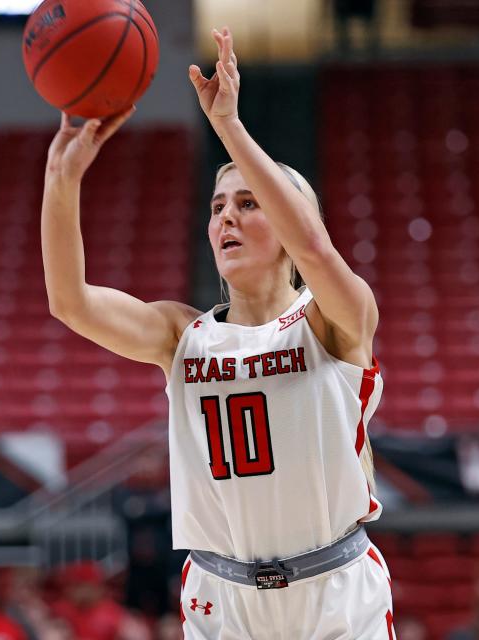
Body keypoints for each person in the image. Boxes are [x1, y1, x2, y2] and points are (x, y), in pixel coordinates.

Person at [41, 25, 391, 639]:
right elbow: (69, 301)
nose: (226, 214)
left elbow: (313, 245)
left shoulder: (336, 319)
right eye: (217, 205)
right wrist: (61, 181)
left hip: (334, 591)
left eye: (249, 203)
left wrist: (227, 124)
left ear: (288, 223)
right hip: (221, 595)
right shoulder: (183, 335)